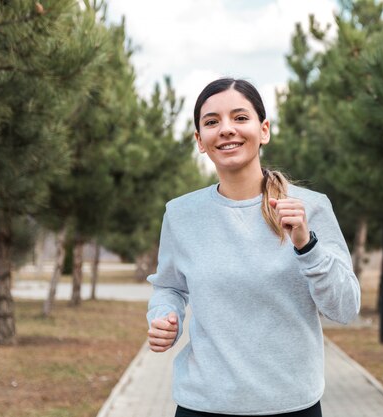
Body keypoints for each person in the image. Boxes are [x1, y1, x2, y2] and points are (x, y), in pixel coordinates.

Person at [146, 78, 361, 417]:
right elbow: (170, 287)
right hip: (202, 406)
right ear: (200, 141)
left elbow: (346, 307)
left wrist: (307, 245)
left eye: (240, 117)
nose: (226, 129)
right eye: (212, 121)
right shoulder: (181, 213)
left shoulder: (310, 207)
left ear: (264, 130)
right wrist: (163, 318)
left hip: (292, 407)